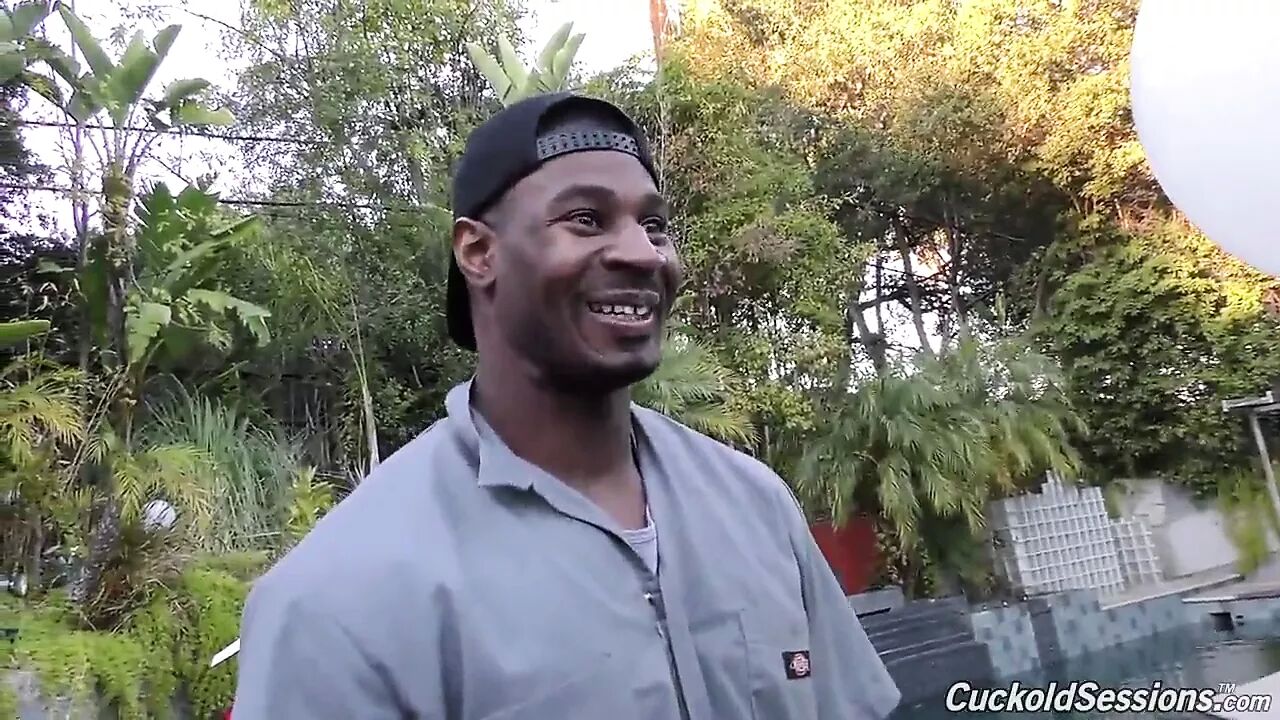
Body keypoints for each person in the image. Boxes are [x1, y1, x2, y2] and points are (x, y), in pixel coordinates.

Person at [231, 91, 901, 720]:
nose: (643, 253)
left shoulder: (755, 507)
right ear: (479, 252)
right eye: (586, 219)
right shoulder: (338, 600)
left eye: (655, 225)